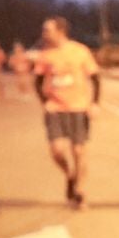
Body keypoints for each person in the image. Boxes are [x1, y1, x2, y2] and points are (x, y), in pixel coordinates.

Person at [33, 16, 100, 209]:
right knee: (56, 150)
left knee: (79, 151)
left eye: (48, 30)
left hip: (78, 106)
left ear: (60, 31)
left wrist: (95, 103)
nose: (44, 34)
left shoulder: (79, 51)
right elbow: (37, 81)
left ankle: (80, 190)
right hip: (55, 108)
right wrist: (45, 101)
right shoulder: (45, 55)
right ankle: (70, 174)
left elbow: (95, 77)